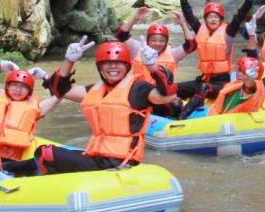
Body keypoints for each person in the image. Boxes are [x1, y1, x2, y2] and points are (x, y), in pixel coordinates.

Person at [17, 38, 178, 175]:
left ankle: (22, 177)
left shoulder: (139, 89)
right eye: (107, 63)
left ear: (127, 66)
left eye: (118, 63)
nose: (112, 67)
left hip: (119, 162)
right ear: (100, 68)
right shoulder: (95, 90)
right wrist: (69, 61)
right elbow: (61, 90)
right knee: (50, 154)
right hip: (97, 158)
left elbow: (167, 95)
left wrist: (152, 68)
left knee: (45, 153)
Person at [174, 0, 257, 116]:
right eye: (210, 17)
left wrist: (249, 1)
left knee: (204, 87)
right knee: (175, 88)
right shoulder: (200, 29)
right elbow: (189, 16)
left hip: (222, 83)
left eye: (216, 17)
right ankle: (169, 110)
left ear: (220, 19)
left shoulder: (228, 33)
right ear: (206, 19)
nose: (213, 19)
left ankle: (181, 116)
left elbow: (238, 18)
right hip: (203, 78)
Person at [0, 60, 62, 174]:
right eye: (15, 85)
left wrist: (45, 77)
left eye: (23, 87)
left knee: (41, 160)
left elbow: (59, 94)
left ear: (29, 90)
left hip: (12, 163)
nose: (18, 90)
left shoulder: (36, 107)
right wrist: (0, 65)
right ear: (8, 85)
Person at [116, 7, 196, 117]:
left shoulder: (173, 53)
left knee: (176, 105)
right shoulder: (138, 48)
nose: (157, 43)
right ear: (148, 40)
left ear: (166, 41)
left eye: (161, 40)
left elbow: (191, 45)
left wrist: (182, 23)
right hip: (141, 94)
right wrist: (134, 19)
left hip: (161, 95)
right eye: (153, 40)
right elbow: (121, 35)